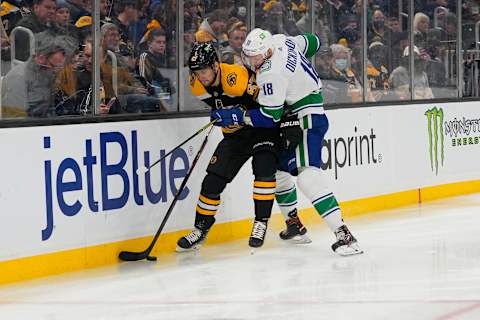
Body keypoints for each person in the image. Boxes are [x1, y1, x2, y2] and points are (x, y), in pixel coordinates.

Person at [213, 28, 363, 256]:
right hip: (299, 114)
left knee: (307, 177)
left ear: (267, 52)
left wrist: (236, 116)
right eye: (248, 55)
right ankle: (294, 225)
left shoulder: (270, 73)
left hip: (306, 118)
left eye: (255, 57)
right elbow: (313, 41)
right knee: (279, 170)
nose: (250, 61)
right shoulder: (281, 40)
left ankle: (345, 236)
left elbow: (268, 116)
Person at [176, 42, 281, 251]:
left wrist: (238, 113)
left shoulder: (236, 77)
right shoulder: (196, 84)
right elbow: (218, 104)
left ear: (215, 65)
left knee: (264, 173)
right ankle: (201, 228)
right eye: (196, 72)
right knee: (212, 181)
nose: (201, 76)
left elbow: (269, 105)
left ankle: (260, 222)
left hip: (262, 129)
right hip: (235, 135)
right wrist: (221, 113)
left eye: (204, 70)